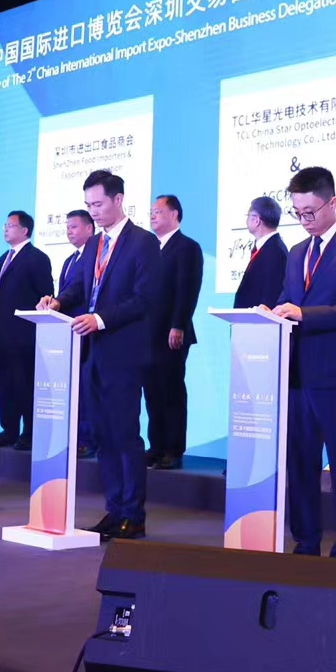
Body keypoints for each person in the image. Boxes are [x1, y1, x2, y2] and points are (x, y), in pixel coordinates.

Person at [40, 169, 162, 541]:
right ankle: (115, 509)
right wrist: (58, 301)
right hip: (92, 352)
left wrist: (101, 319)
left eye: (98, 204)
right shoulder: (94, 243)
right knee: (102, 435)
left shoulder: (143, 242)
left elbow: (144, 299)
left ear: (118, 199)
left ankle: (134, 515)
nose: (92, 211)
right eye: (88, 205)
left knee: (124, 434)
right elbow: (81, 287)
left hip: (124, 352)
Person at [271, 166, 336, 559]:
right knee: (300, 465)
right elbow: (288, 298)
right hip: (297, 375)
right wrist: (272, 313)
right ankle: (306, 543)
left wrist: (303, 314)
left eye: (310, 212)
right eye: (297, 213)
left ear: (332, 202)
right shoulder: (297, 251)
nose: (304, 220)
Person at [145, 194, 203, 470]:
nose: (152, 216)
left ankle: (173, 449)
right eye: (151, 211)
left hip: (172, 332)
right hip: (147, 333)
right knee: (151, 391)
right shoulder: (148, 248)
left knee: (171, 390)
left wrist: (178, 324)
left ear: (174, 214)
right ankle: (156, 446)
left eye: (157, 211)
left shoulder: (187, 247)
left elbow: (187, 289)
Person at [0, 210, 53, 450]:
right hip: (1, 333)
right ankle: (9, 429)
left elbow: (46, 294)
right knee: (4, 384)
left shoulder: (37, 258)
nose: (5, 229)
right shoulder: (3, 258)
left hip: (25, 335)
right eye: (5, 225)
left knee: (25, 384)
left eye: (10, 225)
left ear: (25, 230)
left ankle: (29, 432)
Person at [58, 208, 97, 458]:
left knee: (87, 387)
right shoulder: (70, 259)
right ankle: (73, 437)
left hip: (89, 331)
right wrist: (54, 303)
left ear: (89, 228)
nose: (69, 232)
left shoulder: (94, 257)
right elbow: (66, 293)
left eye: (74, 227)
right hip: (69, 332)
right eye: (67, 227)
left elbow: (81, 292)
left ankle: (87, 438)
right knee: (73, 386)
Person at [233, 196, 288, 310]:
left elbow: (270, 297)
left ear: (256, 220)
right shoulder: (269, 247)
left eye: (248, 216)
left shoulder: (274, 252)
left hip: (260, 319)